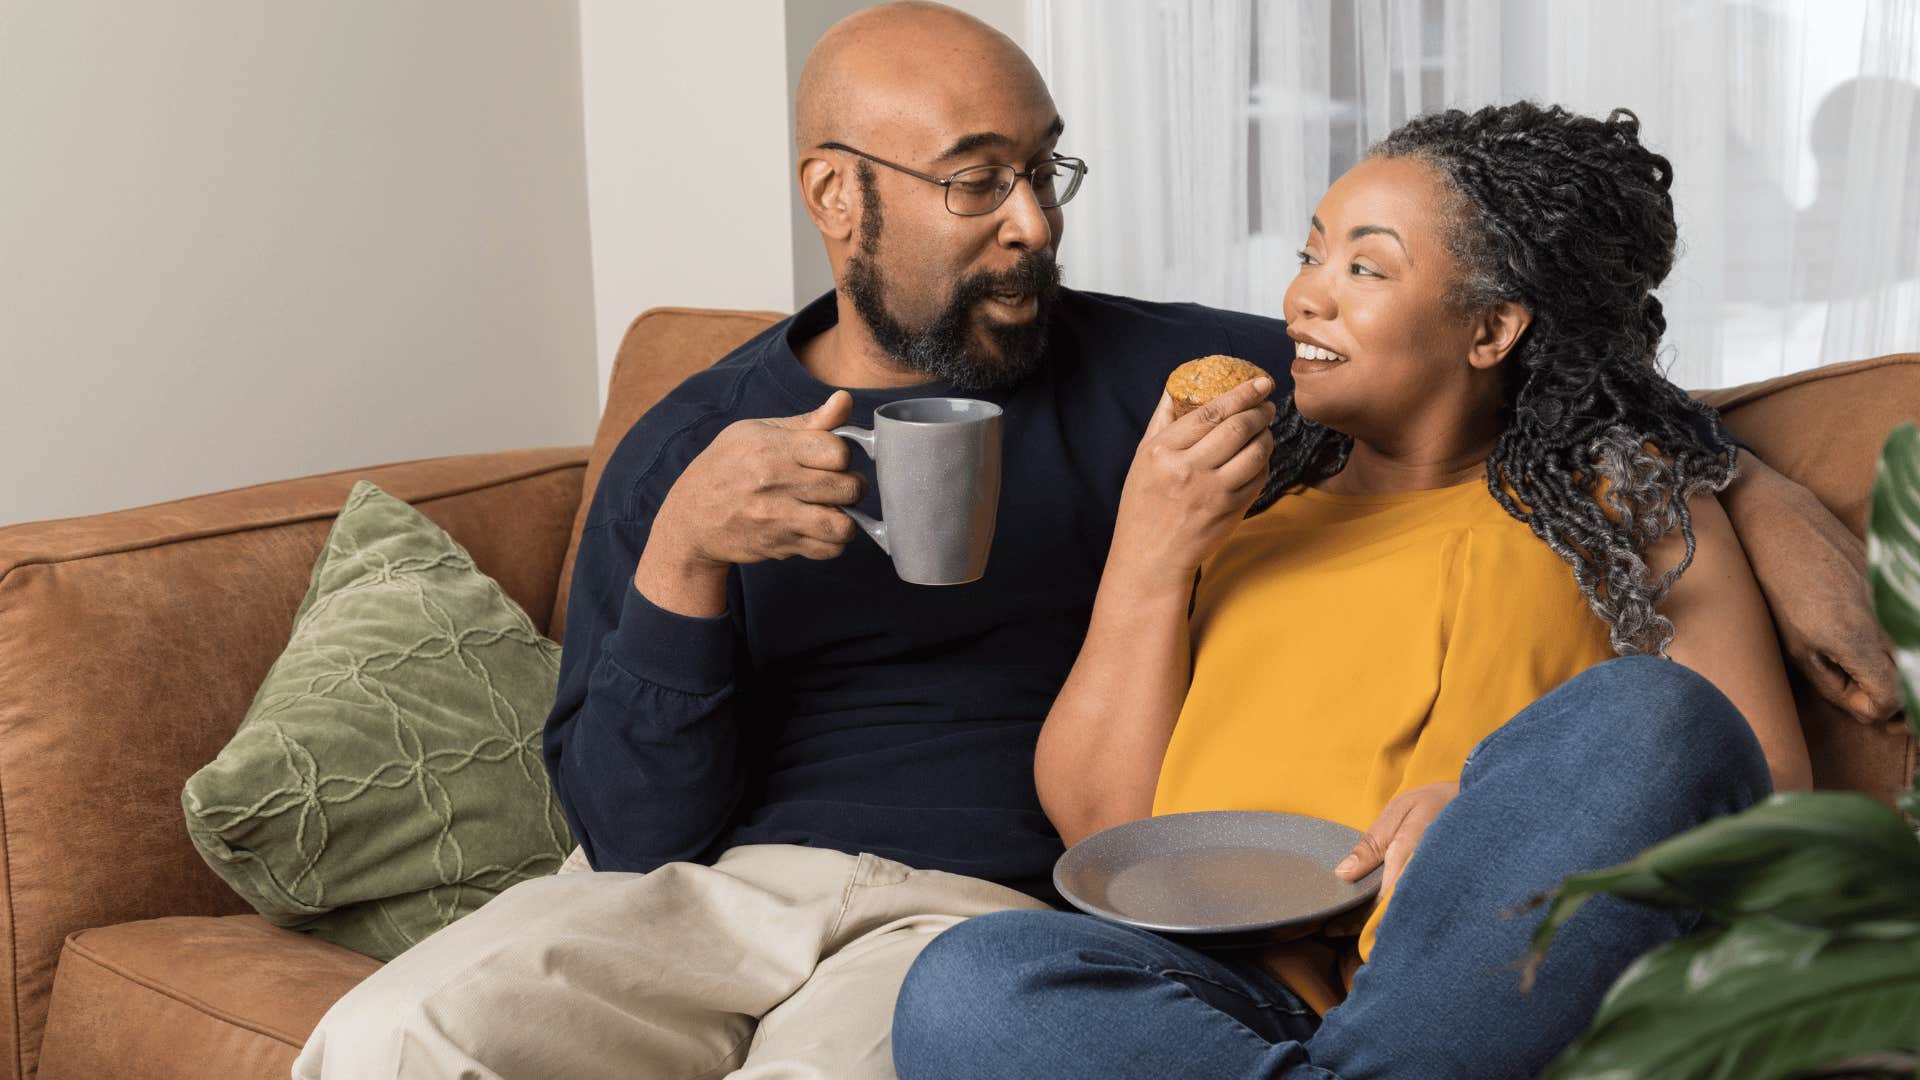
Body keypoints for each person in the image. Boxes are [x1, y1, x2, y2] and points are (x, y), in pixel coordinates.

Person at [295, 6, 1892, 1078]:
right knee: (408, 1042)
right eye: (978, 184)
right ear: (837, 202)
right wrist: (682, 571)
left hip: (1038, 904)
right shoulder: (694, 449)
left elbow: (1538, 378)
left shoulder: (1184, 385)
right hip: (797, 900)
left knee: (936, 1005)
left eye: (1042, 171)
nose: (1036, 226)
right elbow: (641, 834)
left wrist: (1762, 494)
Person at [889, 103, 1813, 1080]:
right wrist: (1149, 553)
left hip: (1491, 984)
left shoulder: (1621, 498)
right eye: (1310, 254)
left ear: (1492, 328)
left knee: (1658, 713)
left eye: (1364, 268)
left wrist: (1479, 815)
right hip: (1235, 994)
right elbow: (1105, 831)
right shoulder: (1241, 510)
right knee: (968, 979)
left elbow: (1755, 783)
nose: (1303, 299)